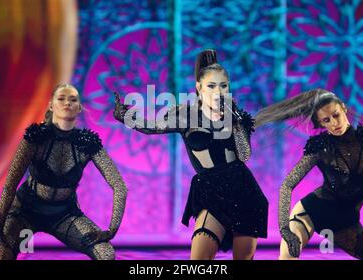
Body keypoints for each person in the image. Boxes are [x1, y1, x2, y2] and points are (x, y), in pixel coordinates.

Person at [113, 49, 268, 260]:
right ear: (199, 88)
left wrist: (237, 123)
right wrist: (127, 117)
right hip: (210, 190)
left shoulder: (237, 117)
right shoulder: (186, 114)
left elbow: (245, 155)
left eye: (223, 86)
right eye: (211, 86)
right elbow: (153, 127)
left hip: (243, 191)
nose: (218, 91)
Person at [254, 89, 363, 259]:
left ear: (343, 108)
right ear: (321, 124)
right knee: (287, 258)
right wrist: (285, 229)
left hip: (346, 223)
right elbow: (287, 184)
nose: (334, 123)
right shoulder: (320, 147)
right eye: (326, 120)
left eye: (336, 115)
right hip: (311, 212)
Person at [0, 83, 128, 260]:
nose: (67, 103)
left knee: (106, 254)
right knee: (3, 254)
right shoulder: (35, 138)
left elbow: (120, 186)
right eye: (61, 98)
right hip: (25, 211)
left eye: (73, 100)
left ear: (79, 107)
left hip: (64, 214)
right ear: (51, 105)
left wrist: (111, 231)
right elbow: (9, 186)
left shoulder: (87, 143)